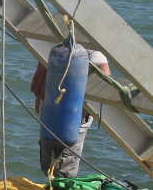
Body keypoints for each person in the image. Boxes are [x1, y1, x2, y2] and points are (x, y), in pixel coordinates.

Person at [31, 47, 111, 179]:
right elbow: (107, 88)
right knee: (65, 170)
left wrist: (40, 104)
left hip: (48, 119)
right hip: (72, 123)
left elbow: (36, 86)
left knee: (49, 165)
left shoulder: (52, 51)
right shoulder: (95, 55)